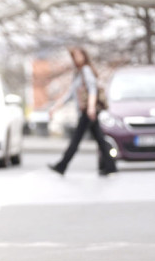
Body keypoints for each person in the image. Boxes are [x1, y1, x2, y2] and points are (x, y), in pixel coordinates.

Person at [47, 46, 117, 176]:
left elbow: (92, 90)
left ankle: (62, 165)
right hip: (86, 111)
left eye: (79, 55)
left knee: (76, 140)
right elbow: (70, 94)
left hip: (88, 111)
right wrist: (55, 108)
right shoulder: (78, 73)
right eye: (74, 56)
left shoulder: (86, 70)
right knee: (100, 140)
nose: (77, 58)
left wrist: (90, 107)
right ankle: (110, 166)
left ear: (84, 56)